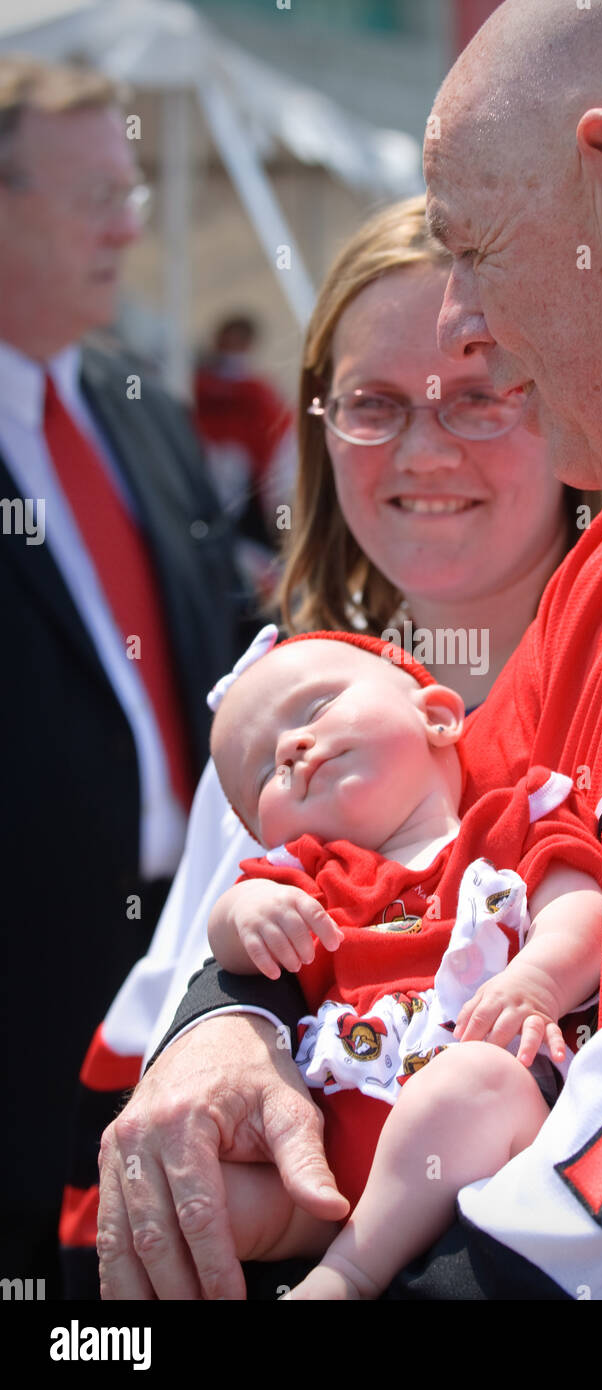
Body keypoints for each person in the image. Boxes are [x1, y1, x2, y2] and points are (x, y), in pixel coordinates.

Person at [67, 195, 599, 1297]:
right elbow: (151, 1120)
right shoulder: (275, 724)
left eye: (480, 397)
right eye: (375, 403)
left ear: (573, 409)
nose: (422, 447)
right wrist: (221, 1021)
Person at [0, 55, 249, 1296]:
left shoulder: (131, 399)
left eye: (135, 184)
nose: (130, 220)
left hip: (174, 957)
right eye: (96, 189)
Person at [204, 626, 602, 1260]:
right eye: (263, 777)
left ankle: (353, 1275)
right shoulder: (311, 879)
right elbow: (226, 935)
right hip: (327, 1174)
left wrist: (540, 982)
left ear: (439, 717)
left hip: (488, 1136)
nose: (290, 748)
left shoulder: (511, 820)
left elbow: (584, 907)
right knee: (198, 1194)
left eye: (316, 709)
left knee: (470, 1084)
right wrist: (244, 914)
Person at [193, 314, 296, 601]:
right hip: (203, 495)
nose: (232, 346)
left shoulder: (260, 394)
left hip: (249, 506)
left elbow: (279, 446)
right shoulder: (193, 387)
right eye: (228, 337)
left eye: (239, 339)